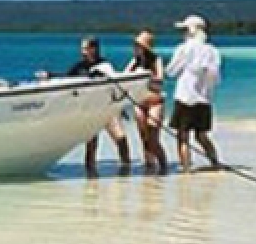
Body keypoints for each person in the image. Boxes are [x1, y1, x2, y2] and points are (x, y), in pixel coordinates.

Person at [65, 35, 132, 174]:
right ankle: (91, 177)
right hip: (91, 111)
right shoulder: (79, 67)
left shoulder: (105, 65)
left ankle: (126, 169)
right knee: (91, 146)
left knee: (120, 139)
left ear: (93, 49)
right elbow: (64, 79)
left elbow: (116, 86)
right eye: (82, 48)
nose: (82, 51)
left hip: (108, 109)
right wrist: (49, 75)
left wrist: (121, 107)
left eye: (85, 48)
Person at [166, 14, 222, 173]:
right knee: (201, 136)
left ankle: (186, 168)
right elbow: (215, 78)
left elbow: (171, 71)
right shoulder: (212, 51)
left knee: (183, 136)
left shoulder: (184, 48)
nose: (183, 33)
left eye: (185, 29)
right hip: (204, 99)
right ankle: (215, 163)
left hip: (185, 97)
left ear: (191, 30)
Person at [125, 30, 167, 172]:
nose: (136, 48)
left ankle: (163, 166)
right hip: (139, 103)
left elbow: (160, 80)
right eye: (135, 45)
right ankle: (149, 166)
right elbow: (124, 76)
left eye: (139, 45)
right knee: (144, 137)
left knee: (153, 138)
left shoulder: (156, 60)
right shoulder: (134, 61)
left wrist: (146, 78)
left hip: (155, 102)